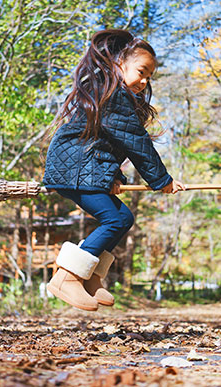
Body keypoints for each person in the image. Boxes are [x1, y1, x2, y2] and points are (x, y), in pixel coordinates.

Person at [42, 28, 185, 311]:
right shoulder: (113, 94)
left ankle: (91, 276)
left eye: (149, 77)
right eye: (141, 71)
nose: (144, 81)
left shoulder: (111, 95)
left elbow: (108, 144)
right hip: (74, 169)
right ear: (120, 64)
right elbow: (135, 141)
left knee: (123, 217)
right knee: (114, 220)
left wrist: (113, 177)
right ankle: (67, 277)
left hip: (84, 166)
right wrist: (162, 180)